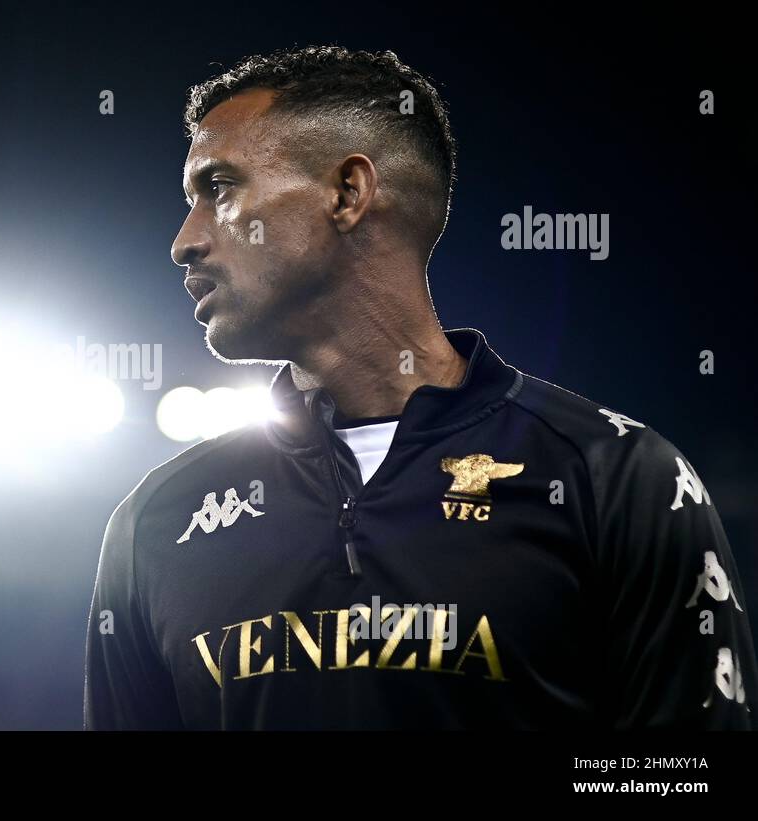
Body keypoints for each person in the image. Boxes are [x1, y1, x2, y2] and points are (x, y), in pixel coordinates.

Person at [83, 45, 755, 729]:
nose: (184, 241)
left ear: (347, 193)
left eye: (218, 189)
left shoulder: (617, 478)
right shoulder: (156, 522)